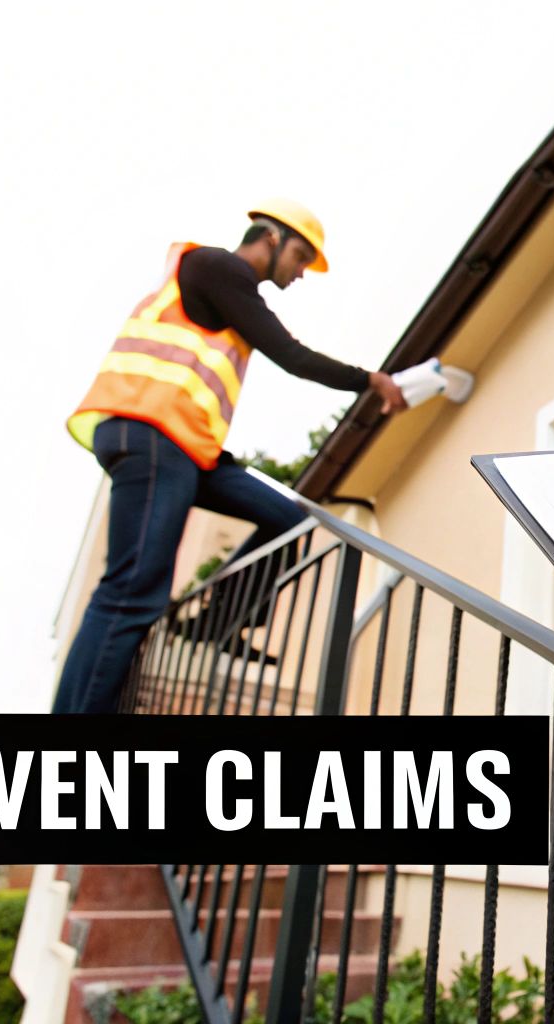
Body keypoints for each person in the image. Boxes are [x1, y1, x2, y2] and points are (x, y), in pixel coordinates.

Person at [54, 199, 408, 715]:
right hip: (151, 436)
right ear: (270, 238)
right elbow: (290, 354)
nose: (301, 272)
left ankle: (213, 625)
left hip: (189, 452)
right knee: (131, 593)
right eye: (301, 256)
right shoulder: (215, 267)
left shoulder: (227, 292)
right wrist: (369, 380)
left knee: (289, 519)